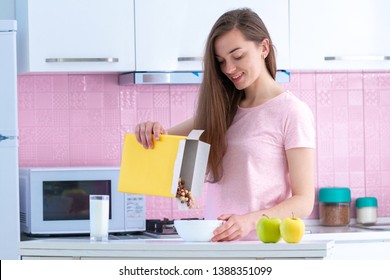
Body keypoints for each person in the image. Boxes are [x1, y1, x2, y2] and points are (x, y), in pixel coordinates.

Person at [134, 8, 315, 241]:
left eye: (238, 56)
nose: (229, 69)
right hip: (215, 246)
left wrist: (250, 220)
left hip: (261, 249)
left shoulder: (292, 112)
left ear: (264, 48)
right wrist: (148, 130)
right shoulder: (221, 112)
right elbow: (159, 145)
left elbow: (303, 202)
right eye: (221, 62)